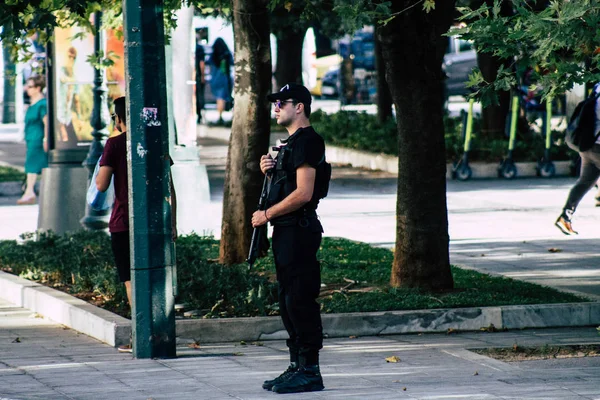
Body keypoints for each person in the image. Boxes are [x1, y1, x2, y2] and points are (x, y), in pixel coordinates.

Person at [252, 83, 328, 394]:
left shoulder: (309, 142)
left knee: (299, 299)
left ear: (300, 107)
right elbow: (286, 185)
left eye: (282, 102)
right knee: (287, 301)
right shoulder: (290, 144)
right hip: (285, 231)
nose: (276, 107)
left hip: (299, 229)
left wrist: (266, 215)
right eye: (275, 103)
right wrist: (268, 168)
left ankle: (310, 370)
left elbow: (304, 193)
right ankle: (297, 365)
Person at [96, 97, 177, 352]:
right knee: (156, 279)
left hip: (122, 223)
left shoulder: (114, 144)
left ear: (119, 119)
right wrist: (172, 221)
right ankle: (159, 334)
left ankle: (139, 337)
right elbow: (169, 187)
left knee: (132, 282)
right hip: (156, 222)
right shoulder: (156, 141)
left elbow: (100, 185)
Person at [555, 83, 600, 235]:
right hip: (598, 148)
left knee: (585, 182)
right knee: (585, 182)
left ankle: (565, 217)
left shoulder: (597, 89)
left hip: (587, 147)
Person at [17, 75, 48, 205]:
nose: (26, 89)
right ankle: (30, 191)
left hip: (38, 139)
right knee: (37, 165)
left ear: (38, 88)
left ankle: (29, 192)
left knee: (31, 165)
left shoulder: (42, 104)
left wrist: (46, 139)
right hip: (31, 139)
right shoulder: (31, 105)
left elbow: (46, 123)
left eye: (30, 86)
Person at [56, 46, 81, 145]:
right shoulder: (60, 71)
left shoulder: (74, 76)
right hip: (58, 112)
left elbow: (76, 98)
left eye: (73, 57)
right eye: (69, 56)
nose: (71, 60)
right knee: (63, 138)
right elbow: (62, 79)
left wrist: (79, 117)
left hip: (67, 115)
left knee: (72, 140)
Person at [209, 38, 233, 125]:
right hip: (224, 79)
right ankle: (222, 116)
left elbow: (209, 62)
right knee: (223, 97)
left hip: (215, 79)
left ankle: (220, 116)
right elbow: (232, 62)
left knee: (219, 98)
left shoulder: (213, 55)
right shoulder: (226, 54)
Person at [195, 30, 206, 124]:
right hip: (197, 75)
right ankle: (199, 114)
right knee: (199, 95)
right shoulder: (200, 48)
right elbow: (202, 63)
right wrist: (203, 75)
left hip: (192, 74)